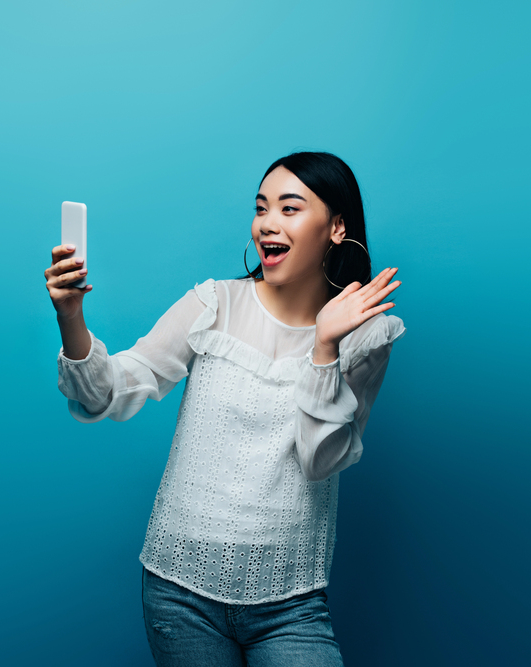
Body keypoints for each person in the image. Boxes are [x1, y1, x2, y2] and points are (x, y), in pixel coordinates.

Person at [43, 151, 405, 667]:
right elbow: (107, 392)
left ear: (337, 226)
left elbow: (321, 459)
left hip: (291, 605)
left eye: (290, 208)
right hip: (179, 590)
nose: (267, 224)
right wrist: (71, 318)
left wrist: (325, 349)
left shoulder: (366, 333)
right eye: (261, 208)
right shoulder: (214, 304)